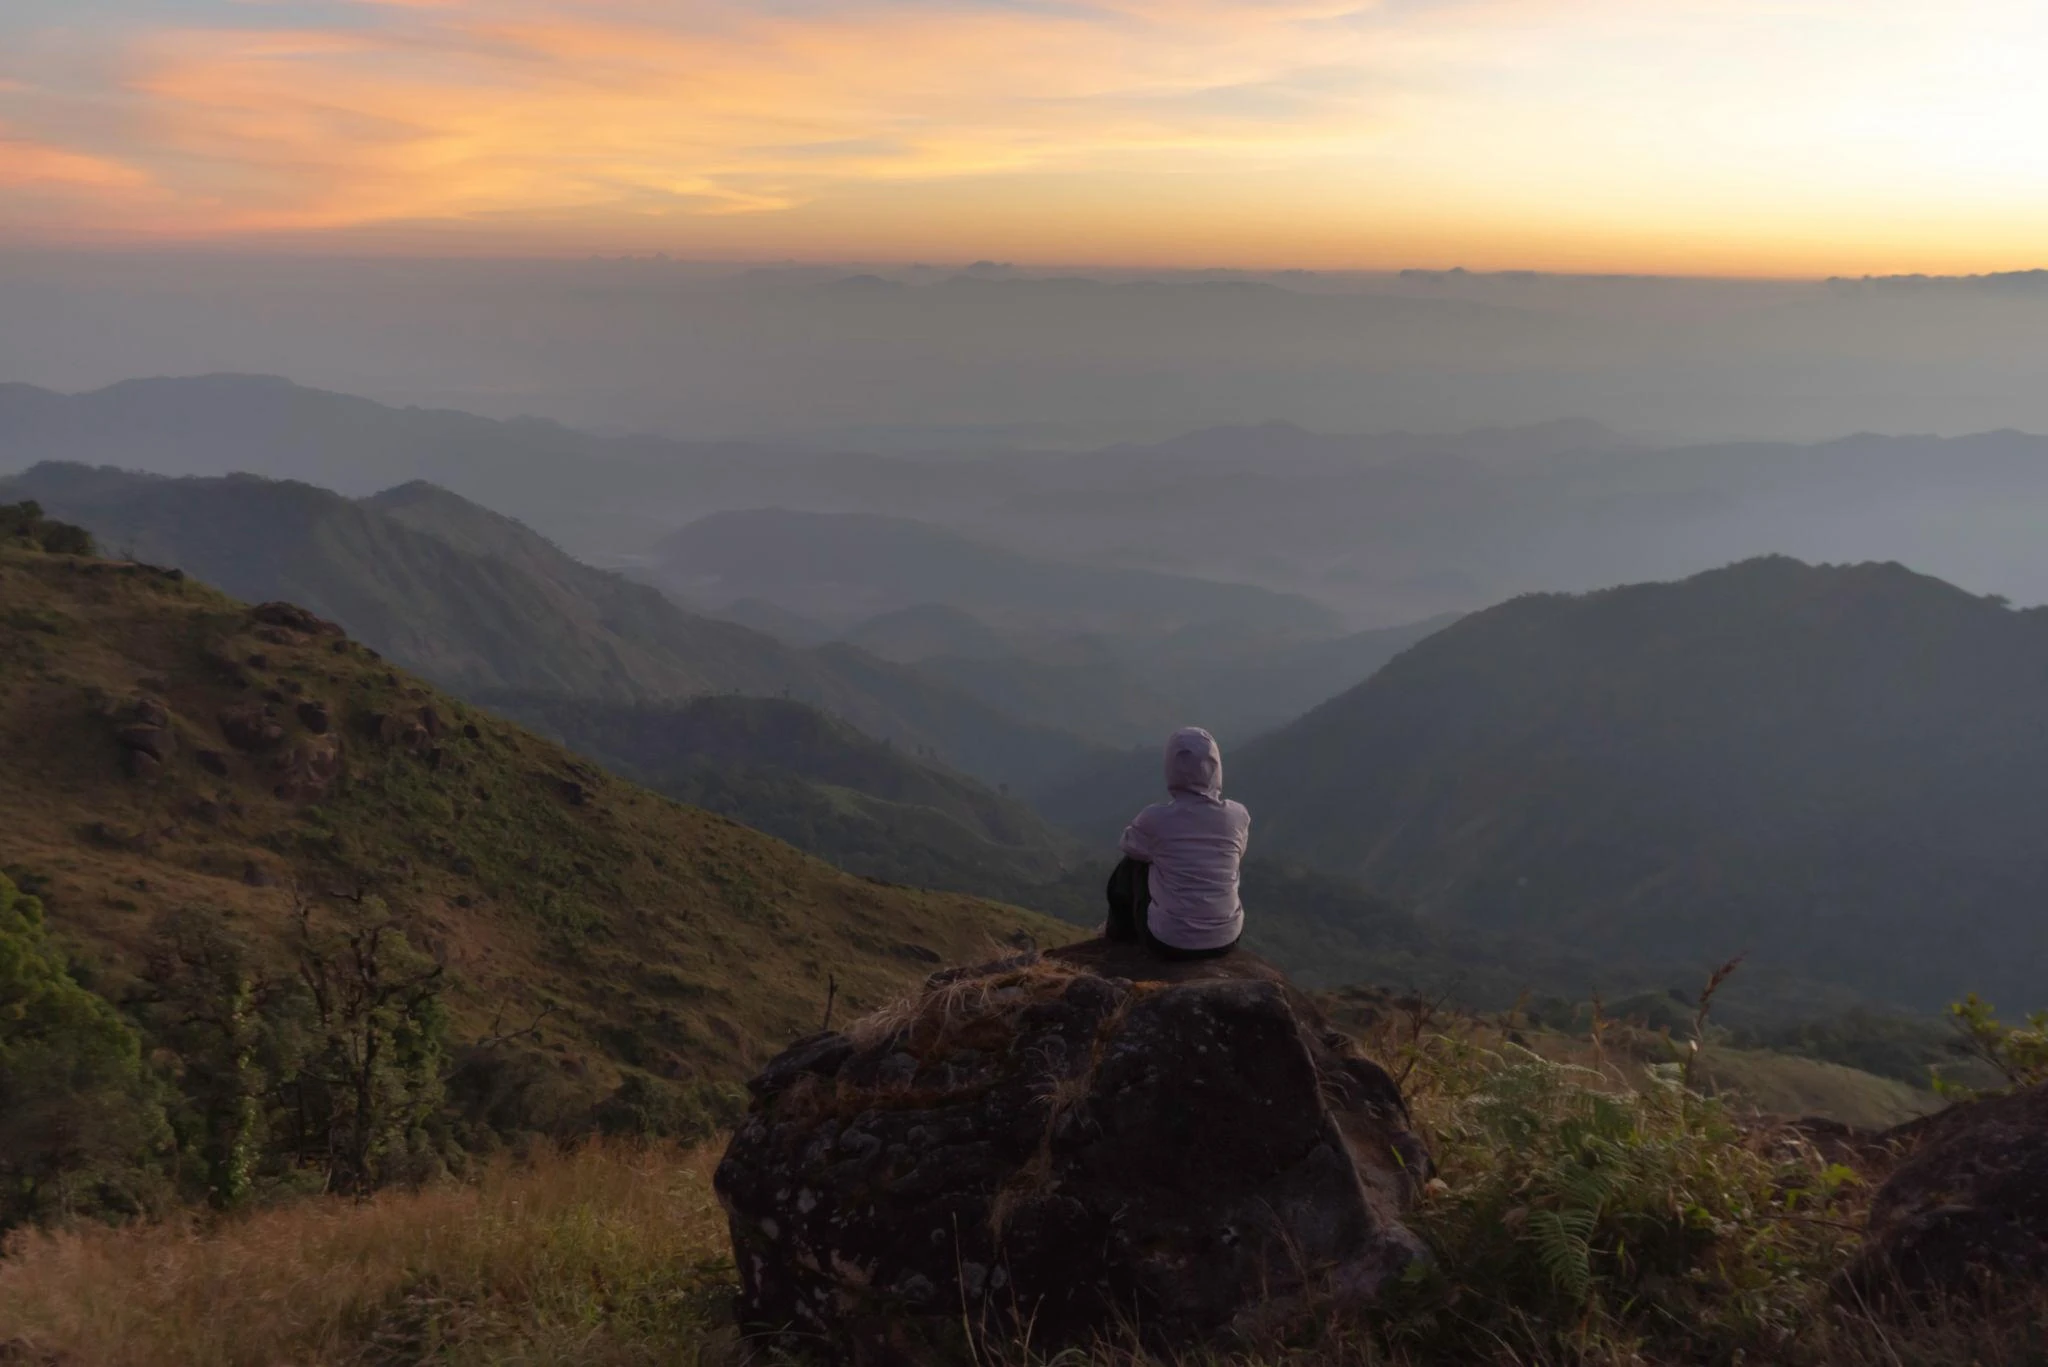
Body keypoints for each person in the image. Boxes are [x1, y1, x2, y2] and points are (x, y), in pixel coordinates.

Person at [1105, 726, 1248, 960]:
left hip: (1167, 941)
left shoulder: (1155, 818)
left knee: (1133, 865)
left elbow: (1129, 845)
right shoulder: (1238, 815)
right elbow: (1238, 853)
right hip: (1227, 939)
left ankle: (1118, 933)